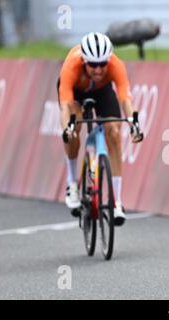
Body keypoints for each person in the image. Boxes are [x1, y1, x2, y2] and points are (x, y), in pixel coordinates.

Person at [58, 32, 143, 226]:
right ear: (84, 60)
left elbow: (125, 100)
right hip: (76, 95)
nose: (98, 69)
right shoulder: (72, 65)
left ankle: (117, 202)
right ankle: (72, 183)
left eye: (103, 64)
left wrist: (134, 125)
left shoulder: (116, 65)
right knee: (73, 127)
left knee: (114, 131)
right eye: (93, 65)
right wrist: (67, 129)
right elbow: (66, 107)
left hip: (102, 91)